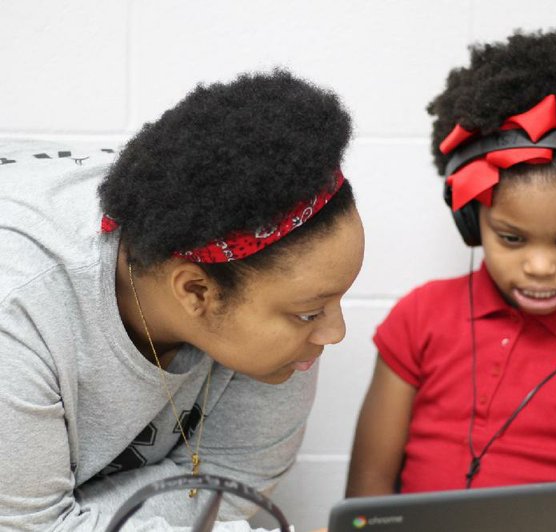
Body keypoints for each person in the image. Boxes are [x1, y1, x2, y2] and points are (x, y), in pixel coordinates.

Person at [0, 70, 364, 530]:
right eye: (311, 312)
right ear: (195, 291)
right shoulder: (18, 305)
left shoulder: (261, 258)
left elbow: (233, 486)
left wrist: (80, 517)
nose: (335, 333)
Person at [346, 30, 556, 497]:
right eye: (511, 238)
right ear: (469, 219)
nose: (540, 266)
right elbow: (367, 493)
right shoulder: (418, 319)